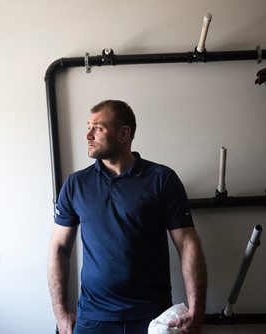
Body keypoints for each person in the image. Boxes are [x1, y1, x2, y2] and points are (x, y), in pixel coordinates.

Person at [47, 100, 207, 334]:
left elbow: (187, 243)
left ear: (124, 133)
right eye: (88, 126)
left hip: (153, 318)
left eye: (98, 128)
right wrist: (60, 314)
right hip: (93, 318)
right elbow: (59, 248)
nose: (88, 135)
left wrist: (197, 310)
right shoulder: (76, 184)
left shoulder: (161, 179)